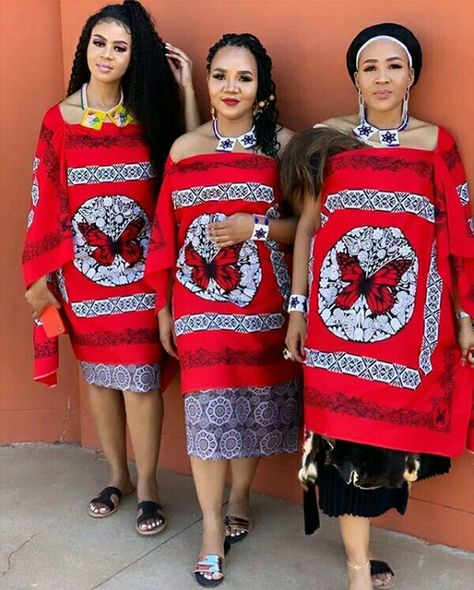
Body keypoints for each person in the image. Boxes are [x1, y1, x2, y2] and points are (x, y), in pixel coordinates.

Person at [282, 23, 474, 590]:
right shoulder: (327, 139)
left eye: (394, 66)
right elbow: (310, 229)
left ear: (412, 74)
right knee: (341, 437)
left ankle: (363, 548)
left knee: (384, 444)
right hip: (335, 320)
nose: (383, 78)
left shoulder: (436, 144)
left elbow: (457, 236)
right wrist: (296, 310)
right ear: (355, 78)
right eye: (370, 68)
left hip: (410, 326)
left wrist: (464, 317)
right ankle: (357, 570)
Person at [22, 0, 199, 535]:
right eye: (99, 43)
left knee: (141, 380)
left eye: (120, 47)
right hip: (84, 274)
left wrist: (188, 92)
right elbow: (44, 198)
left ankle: (148, 485)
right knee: (100, 377)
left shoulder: (149, 115)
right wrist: (38, 276)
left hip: (144, 277)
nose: (107, 54)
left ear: (134, 57)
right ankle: (116, 474)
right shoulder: (59, 120)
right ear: (85, 47)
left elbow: (188, 164)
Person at [145, 33, 301, 586]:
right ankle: (211, 529)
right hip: (196, 305)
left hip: (265, 307)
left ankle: (241, 497)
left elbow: (309, 226)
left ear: (262, 89)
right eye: (221, 76)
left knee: (251, 404)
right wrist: (165, 310)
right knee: (207, 408)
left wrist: (252, 227)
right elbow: (165, 234)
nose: (230, 87)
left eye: (244, 77)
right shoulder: (184, 149)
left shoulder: (285, 146)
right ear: (207, 83)